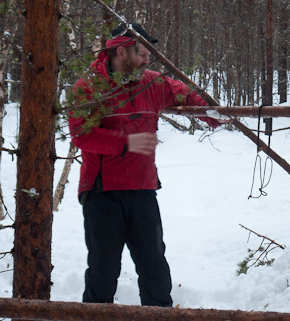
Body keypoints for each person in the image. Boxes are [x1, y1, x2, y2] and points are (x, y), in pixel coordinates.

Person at [68, 23, 221, 306]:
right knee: (103, 271)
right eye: (142, 52)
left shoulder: (153, 83)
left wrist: (216, 114)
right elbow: (82, 134)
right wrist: (125, 142)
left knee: (154, 269)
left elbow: (186, 96)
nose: (148, 59)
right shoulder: (88, 88)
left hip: (143, 191)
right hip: (102, 193)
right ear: (122, 52)